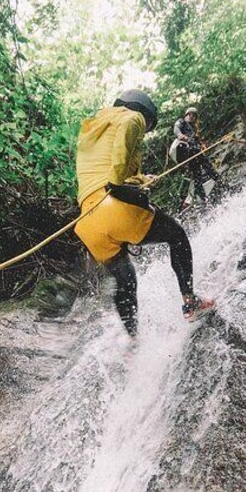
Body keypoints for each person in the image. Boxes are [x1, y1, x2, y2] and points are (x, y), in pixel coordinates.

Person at [75, 90, 215, 336]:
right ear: (142, 109)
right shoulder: (132, 116)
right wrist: (118, 186)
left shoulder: (94, 128)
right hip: (113, 206)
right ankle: (191, 302)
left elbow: (105, 171)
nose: (146, 129)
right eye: (148, 124)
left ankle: (132, 340)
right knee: (177, 236)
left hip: (88, 220)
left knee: (126, 280)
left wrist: (140, 179)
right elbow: (116, 174)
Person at [170, 107, 219, 203]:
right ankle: (203, 198)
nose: (191, 117)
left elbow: (197, 141)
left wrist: (202, 145)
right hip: (188, 153)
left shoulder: (193, 129)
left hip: (196, 152)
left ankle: (217, 188)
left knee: (206, 171)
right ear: (186, 115)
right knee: (198, 175)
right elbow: (176, 129)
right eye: (190, 114)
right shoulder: (181, 122)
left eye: (194, 115)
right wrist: (180, 135)